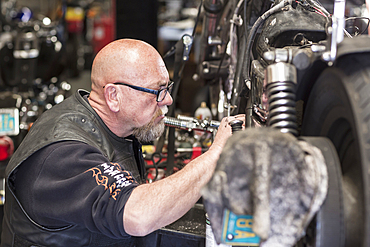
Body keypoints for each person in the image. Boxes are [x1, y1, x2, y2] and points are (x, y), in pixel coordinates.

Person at [1, 39, 243, 246]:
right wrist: (217, 153)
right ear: (113, 96)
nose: (167, 100)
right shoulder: (63, 153)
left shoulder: (113, 125)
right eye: (157, 91)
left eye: (166, 88)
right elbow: (138, 215)